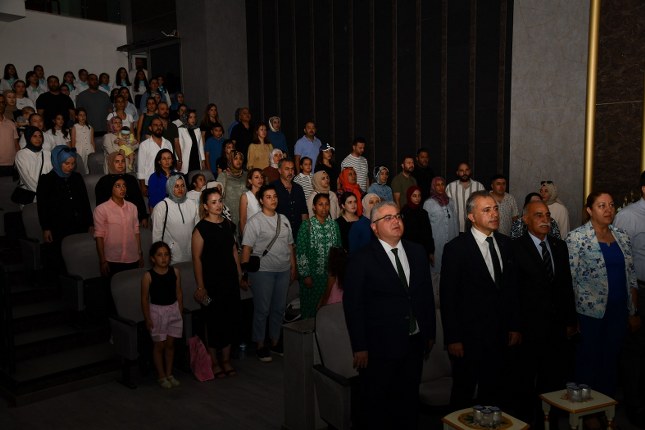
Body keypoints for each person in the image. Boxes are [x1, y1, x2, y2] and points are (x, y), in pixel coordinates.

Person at [343, 201, 436, 429]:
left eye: (398, 216)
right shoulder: (361, 259)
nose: (396, 221)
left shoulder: (417, 252)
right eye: (388, 218)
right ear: (374, 227)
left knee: (408, 403)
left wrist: (429, 332)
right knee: (379, 406)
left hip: (414, 343)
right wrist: (359, 346)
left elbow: (425, 295)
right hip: (379, 347)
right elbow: (353, 305)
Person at [440, 190, 520, 408]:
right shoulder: (456, 249)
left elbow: (511, 290)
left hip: (500, 335)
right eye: (486, 210)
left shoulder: (506, 244)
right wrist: (453, 338)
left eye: (495, 209)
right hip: (468, 338)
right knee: (463, 393)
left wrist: (514, 325)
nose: (494, 214)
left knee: (495, 392)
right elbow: (448, 298)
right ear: (471, 216)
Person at [566, 191, 639, 397]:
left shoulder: (621, 236)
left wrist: (633, 312)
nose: (608, 210)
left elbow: (630, 275)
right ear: (589, 210)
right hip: (589, 314)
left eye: (611, 205)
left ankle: (606, 406)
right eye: (602, 206)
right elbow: (570, 279)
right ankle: (586, 409)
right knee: (588, 361)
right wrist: (571, 317)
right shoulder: (576, 238)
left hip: (618, 312)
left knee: (611, 361)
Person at [511, 200, 577, 426]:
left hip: (556, 328)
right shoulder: (515, 248)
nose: (545, 220)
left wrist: (570, 320)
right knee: (525, 381)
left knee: (554, 380)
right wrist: (514, 326)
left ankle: (550, 422)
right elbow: (512, 292)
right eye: (538, 215)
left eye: (547, 215)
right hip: (528, 329)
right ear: (526, 219)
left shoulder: (559, 246)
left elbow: (566, 286)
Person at [241, 184, 297, 362]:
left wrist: (293, 266)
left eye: (275, 196)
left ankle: (275, 341)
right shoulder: (255, 222)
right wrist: (244, 274)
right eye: (268, 197)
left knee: (279, 308)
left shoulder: (283, 219)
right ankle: (260, 344)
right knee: (262, 309)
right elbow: (246, 249)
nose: (273, 200)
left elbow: (290, 245)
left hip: (283, 270)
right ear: (261, 200)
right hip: (263, 272)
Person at [193, 188, 245, 378]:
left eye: (220, 201)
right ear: (206, 206)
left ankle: (226, 360)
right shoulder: (200, 229)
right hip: (211, 282)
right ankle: (214, 361)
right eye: (213, 202)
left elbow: (233, 250)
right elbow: (197, 259)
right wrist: (201, 286)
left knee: (230, 318)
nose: (218, 205)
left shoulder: (228, 225)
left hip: (229, 280)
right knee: (213, 321)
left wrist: (239, 274)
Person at [613, 171, 645, 426]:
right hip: (640, 292)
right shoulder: (628, 216)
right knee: (635, 352)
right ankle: (634, 406)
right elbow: (621, 261)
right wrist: (631, 307)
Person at [36, 145, 93, 270]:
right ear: (57, 161)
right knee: (61, 259)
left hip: (79, 224)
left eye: (73, 163)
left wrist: (90, 223)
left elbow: (85, 202)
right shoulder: (47, 180)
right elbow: (43, 207)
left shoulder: (77, 177)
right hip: (58, 227)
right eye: (66, 163)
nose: (70, 167)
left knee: (80, 256)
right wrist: (46, 228)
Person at [141, 241, 183, 389]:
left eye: (166, 254)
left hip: (173, 311)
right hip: (157, 312)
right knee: (159, 345)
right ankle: (161, 375)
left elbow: (179, 293)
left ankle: (169, 373)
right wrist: (147, 318)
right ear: (153, 258)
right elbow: (144, 299)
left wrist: (179, 311)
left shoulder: (175, 272)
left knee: (170, 345)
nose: (163, 258)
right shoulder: (148, 276)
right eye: (159, 255)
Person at [296, 193, 342, 319]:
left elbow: (338, 250)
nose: (324, 207)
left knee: (328, 310)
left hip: (330, 277)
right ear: (314, 207)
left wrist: (337, 273)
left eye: (327, 204)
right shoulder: (306, 225)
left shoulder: (334, 225)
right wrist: (305, 275)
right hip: (312, 277)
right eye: (320, 204)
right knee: (311, 309)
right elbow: (301, 252)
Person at [94, 176, 144, 277]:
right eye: (118, 186)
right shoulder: (101, 209)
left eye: (124, 186)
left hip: (132, 257)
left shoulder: (133, 207)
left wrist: (139, 253)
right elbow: (99, 236)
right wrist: (102, 260)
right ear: (111, 189)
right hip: (112, 258)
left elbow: (136, 232)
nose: (122, 189)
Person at [151, 175, 200, 264]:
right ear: (170, 187)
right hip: (171, 256)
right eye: (176, 186)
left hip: (191, 253)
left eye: (182, 185)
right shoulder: (161, 207)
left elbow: (198, 230)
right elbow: (157, 235)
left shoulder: (193, 204)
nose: (180, 189)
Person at [95, 152, 148, 228]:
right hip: (112, 221)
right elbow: (101, 205)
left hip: (132, 219)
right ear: (111, 163)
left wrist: (143, 217)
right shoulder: (104, 181)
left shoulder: (131, 179)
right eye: (117, 161)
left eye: (123, 161)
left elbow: (139, 199)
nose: (120, 164)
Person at [423, 177, 458, 285]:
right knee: (436, 273)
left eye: (442, 184)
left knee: (449, 271)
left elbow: (455, 222)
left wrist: (456, 242)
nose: (440, 187)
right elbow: (425, 227)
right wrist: (429, 249)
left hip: (451, 242)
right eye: (437, 185)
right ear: (433, 187)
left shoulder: (450, 202)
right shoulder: (428, 203)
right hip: (436, 244)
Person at [271, 158, 308, 240]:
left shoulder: (298, 188)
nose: (290, 172)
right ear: (279, 171)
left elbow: (304, 212)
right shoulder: (272, 188)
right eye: (287, 169)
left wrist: (305, 233)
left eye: (292, 169)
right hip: (278, 234)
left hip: (298, 233)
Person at [15, 126, 53, 202]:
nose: (38, 139)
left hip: (48, 194)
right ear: (28, 137)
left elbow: (51, 174)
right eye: (34, 136)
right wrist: (42, 192)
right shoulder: (21, 154)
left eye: (40, 136)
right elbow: (26, 178)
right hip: (30, 195)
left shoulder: (48, 153)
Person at [445, 162, 485, 233]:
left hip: (475, 227)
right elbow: (446, 208)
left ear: (470, 171)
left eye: (467, 170)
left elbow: (484, 206)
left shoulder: (479, 186)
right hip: (456, 228)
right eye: (461, 170)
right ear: (457, 173)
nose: (464, 173)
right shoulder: (450, 187)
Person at [137, 117, 173, 195]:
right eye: (155, 125)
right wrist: (143, 186)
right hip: (150, 183)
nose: (158, 127)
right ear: (150, 128)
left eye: (160, 125)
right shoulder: (144, 145)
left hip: (168, 182)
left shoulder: (168, 143)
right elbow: (141, 167)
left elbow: (171, 164)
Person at [401, 186, 434, 262]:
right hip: (409, 250)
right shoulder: (404, 212)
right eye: (414, 196)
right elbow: (403, 234)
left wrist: (431, 251)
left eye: (419, 196)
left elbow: (428, 233)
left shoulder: (423, 213)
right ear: (409, 196)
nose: (417, 198)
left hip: (423, 249)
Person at [217, 150, 247, 228]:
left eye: (240, 159)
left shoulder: (247, 175)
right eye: (235, 158)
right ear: (230, 160)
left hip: (245, 211)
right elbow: (217, 195)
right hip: (229, 213)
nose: (239, 161)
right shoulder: (224, 175)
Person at [177, 109, 205, 174]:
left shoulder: (197, 129)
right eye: (190, 117)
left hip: (197, 158)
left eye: (194, 117)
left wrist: (203, 160)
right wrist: (178, 160)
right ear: (186, 118)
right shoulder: (181, 129)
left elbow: (200, 146)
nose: (193, 119)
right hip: (186, 158)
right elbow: (179, 146)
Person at [239, 168, 263, 237]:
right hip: (251, 233)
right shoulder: (246, 196)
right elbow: (243, 220)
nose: (260, 179)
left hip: (265, 233)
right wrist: (245, 238)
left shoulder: (265, 195)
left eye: (261, 177)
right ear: (250, 181)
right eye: (256, 177)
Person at [70, 108, 94, 174]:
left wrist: (94, 151)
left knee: (90, 167)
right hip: (79, 150)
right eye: (80, 115)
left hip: (89, 149)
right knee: (81, 168)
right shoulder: (75, 127)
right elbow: (73, 141)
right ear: (76, 116)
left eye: (84, 115)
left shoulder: (90, 127)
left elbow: (92, 141)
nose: (83, 117)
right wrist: (73, 153)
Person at [0, 94, 19, 176]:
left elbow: (16, 145)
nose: (0, 105)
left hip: (11, 165)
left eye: (2, 102)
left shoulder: (11, 123)